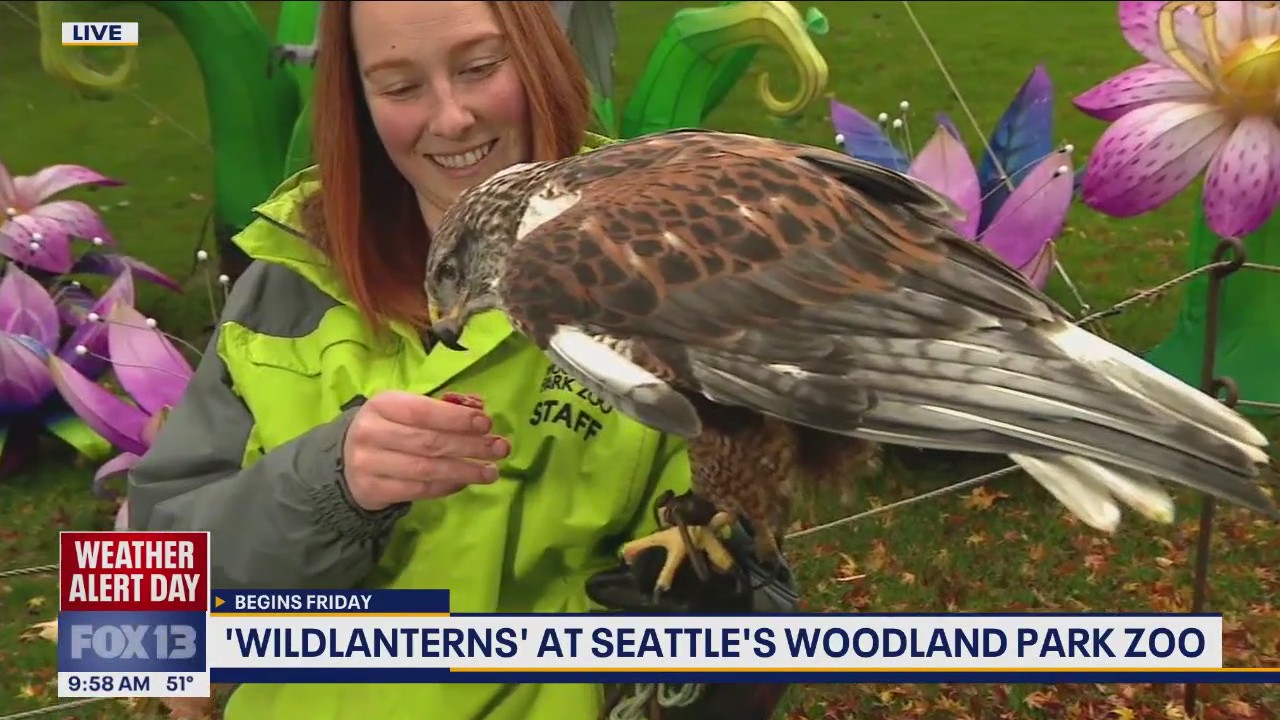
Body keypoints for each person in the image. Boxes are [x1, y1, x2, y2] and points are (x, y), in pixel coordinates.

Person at [126, 2, 797, 719]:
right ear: (356, 101)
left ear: (541, 57)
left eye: (480, 67)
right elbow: (134, 617)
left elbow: (741, 600)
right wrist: (326, 486)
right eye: (399, 86)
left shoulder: (665, 269)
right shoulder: (283, 281)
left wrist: (710, 642)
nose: (451, 120)